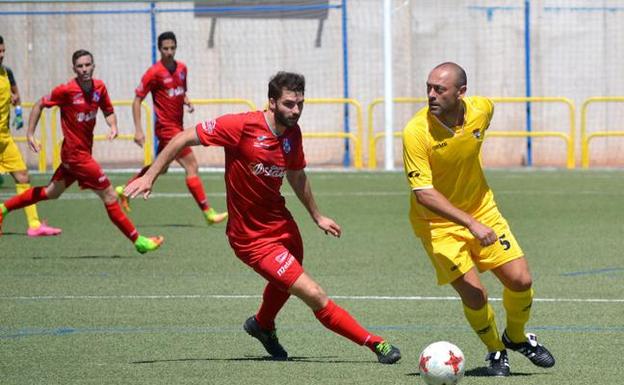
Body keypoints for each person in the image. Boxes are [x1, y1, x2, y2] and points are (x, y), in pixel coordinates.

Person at [125, 71, 402, 364]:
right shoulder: (240, 126)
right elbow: (182, 138)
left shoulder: (293, 134)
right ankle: (376, 344)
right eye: (288, 104)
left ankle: (262, 325)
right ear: (271, 102)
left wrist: (316, 216)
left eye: (300, 104)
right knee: (314, 294)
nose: (295, 111)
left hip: (283, 226)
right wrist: (151, 176)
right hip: (251, 240)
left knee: (288, 282)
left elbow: (296, 174)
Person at [402, 62, 555, 376]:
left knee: (521, 280)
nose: (430, 94)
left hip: (483, 210)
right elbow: (424, 193)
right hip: (437, 224)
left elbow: (484, 116)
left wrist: (476, 218)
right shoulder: (416, 132)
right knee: (474, 293)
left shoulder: (481, 110)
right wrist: (468, 223)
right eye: (428, 87)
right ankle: (496, 352)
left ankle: (515, 336)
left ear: (461, 93)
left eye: (439, 89)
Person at [0, 49, 163, 254]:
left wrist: (113, 126)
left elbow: (108, 110)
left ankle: (3, 209)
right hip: (76, 156)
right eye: (80, 66)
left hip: (80, 153)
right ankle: (139, 241)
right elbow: (39, 104)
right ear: (74, 69)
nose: (84, 69)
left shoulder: (100, 87)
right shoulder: (66, 90)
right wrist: (30, 134)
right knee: (110, 195)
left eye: (88, 65)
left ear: (93, 66)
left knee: (51, 192)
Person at [116, 31, 227, 225]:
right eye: (165, 48)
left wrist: (186, 101)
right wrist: (138, 130)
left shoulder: (182, 68)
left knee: (162, 168)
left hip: (178, 126)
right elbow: (136, 101)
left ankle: (125, 190)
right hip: (168, 130)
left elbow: (180, 91)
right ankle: (208, 212)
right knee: (192, 166)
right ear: (159, 49)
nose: (169, 52)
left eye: (172, 48)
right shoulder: (153, 73)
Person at [0, 35, 61, 237]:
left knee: (22, 176)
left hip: (5, 138)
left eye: (3, 51)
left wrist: (17, 109)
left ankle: (34, 224)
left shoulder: (6, 73)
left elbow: (15, 95)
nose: (1, 55)